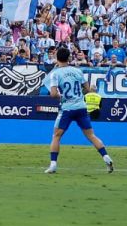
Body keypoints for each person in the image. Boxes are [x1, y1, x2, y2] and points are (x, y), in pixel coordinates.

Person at [45, 45, 113, 175]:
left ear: (57, 58)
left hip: (67, 108)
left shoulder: (56, 73)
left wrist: (62, 96)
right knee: (91, 135)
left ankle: (53, 164)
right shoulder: (77, 71)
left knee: (56, 136)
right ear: (69, 58)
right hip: (81, 107)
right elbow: (87, 89)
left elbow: (53, 94)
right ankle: (106, 157)